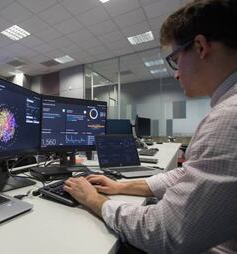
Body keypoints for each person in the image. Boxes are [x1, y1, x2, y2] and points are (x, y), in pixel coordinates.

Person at [64, 0, 237, 253]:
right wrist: (120, 187)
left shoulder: (228, 117)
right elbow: (188, 174)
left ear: (200, 47)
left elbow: (164, 232)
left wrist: (94, 200)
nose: (176, 74)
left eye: (176, 59)